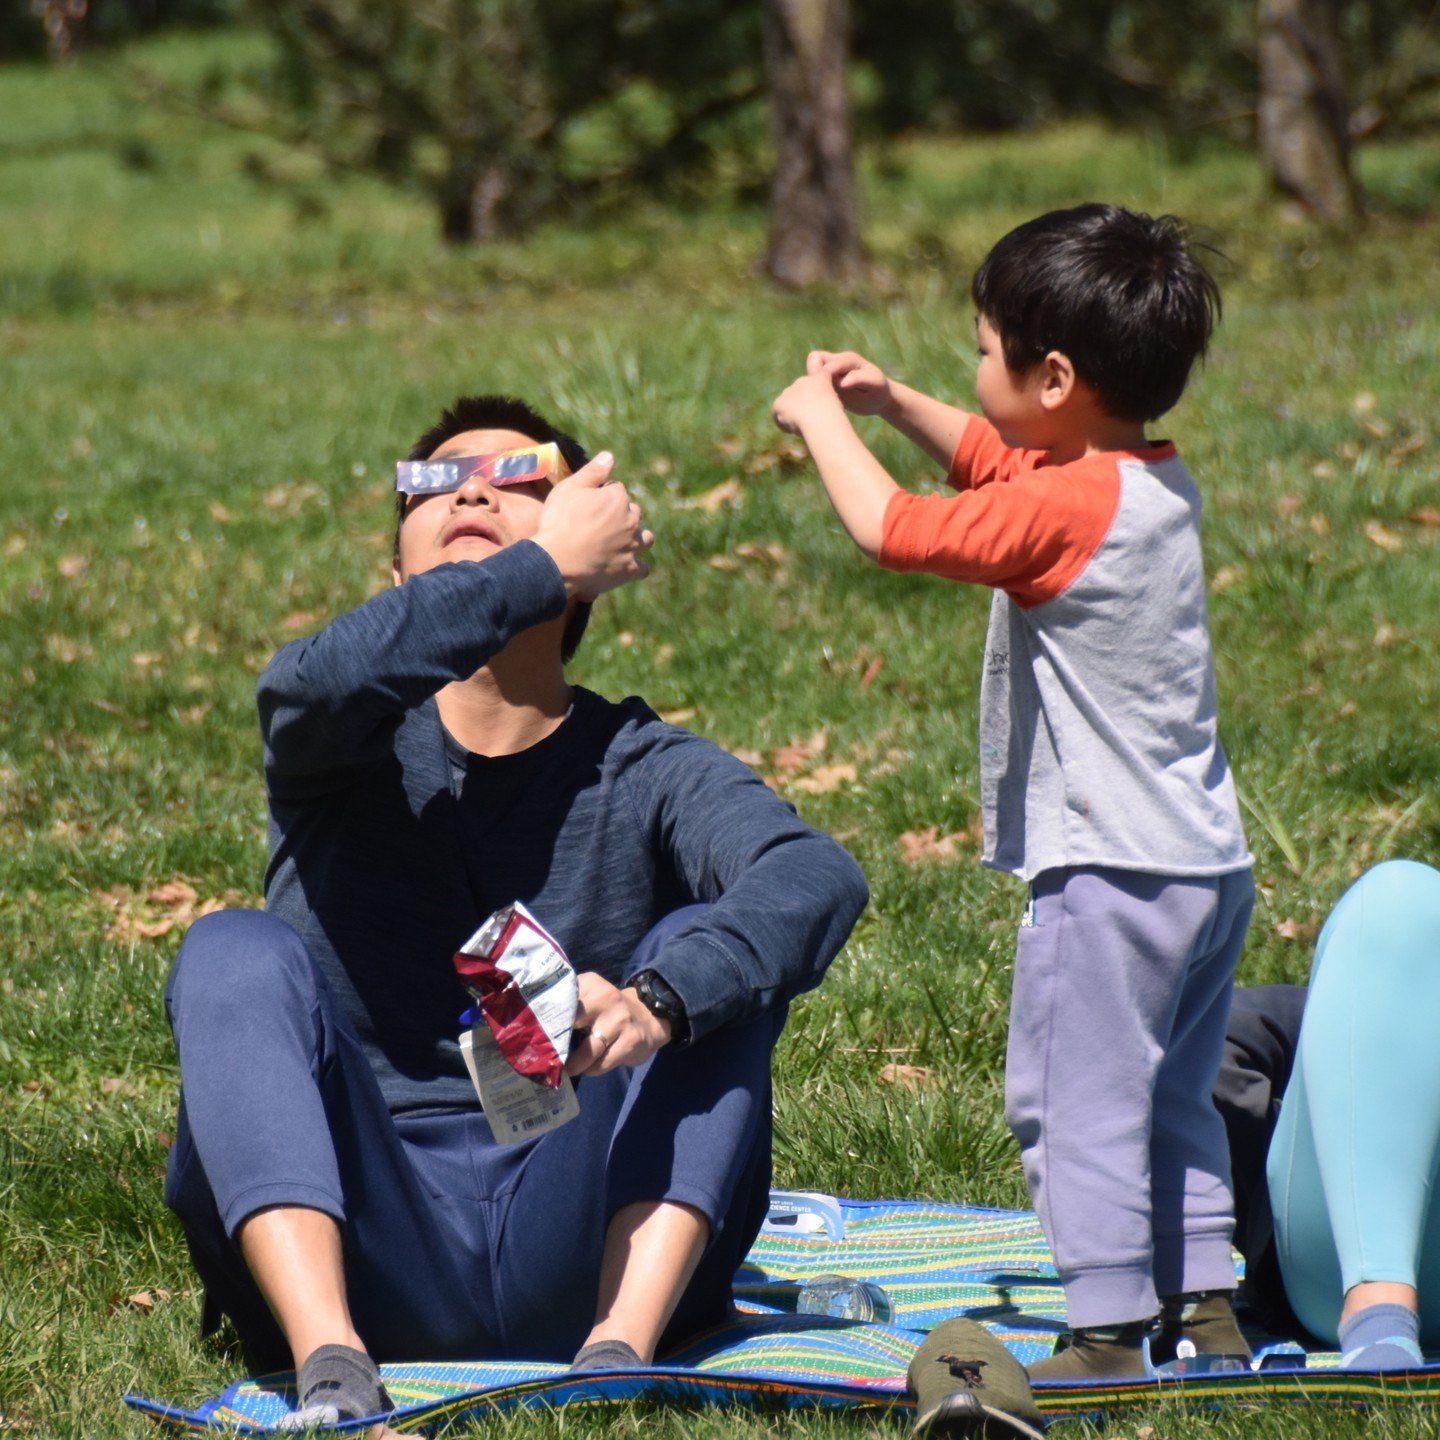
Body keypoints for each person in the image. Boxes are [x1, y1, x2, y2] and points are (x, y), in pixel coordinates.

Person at [162, 395, 869, 1433]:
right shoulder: (336, 745)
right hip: (363, 1235)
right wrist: (530, 569)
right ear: (399, 580)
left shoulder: (642, 766)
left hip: (577, 1231)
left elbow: (814, 875)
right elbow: (311, 687)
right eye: (435, 484)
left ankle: (618, 1355)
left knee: (707, 958)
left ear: (589, 552)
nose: (473, 490)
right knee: (230, 950)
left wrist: (658, 1003)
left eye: (518, 476)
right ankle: (331, 1363)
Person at [771, 204, 1254, 1380]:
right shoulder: (1137, 475)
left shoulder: (1058, 507)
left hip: (1108, 877)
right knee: (1176, 1099)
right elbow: (1000, 458)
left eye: (980, 353)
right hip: (1206, 864)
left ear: (1053, 376)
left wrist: (823, 420)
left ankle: (1101, 1334)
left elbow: (892, 526)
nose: (969, 371)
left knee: (1074, 1101)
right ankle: (1208, 1313)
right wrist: (894, 403)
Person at [1217, 859, 1440, 1371]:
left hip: (1326, 1272)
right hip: (1332, 1273)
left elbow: (1205, 1055)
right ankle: (1378, 1300)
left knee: (1399, 899)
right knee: (1402, 898)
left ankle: (1379, 1302)